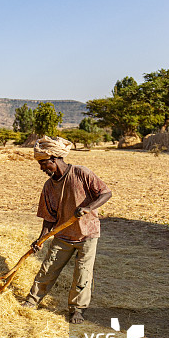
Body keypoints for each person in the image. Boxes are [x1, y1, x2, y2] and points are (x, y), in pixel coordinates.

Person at [23, 136, 112, 324]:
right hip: (62, 236)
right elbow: (49, 216)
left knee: (82, 274)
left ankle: (77, 310)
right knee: (47, 269)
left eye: (44, 164)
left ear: (55, 159)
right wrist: (41, 239)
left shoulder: (81, 173)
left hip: (87, 234)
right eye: (40, 165)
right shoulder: (49, 187)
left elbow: (106, 193)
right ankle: (31, 301)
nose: (42, 169)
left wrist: (89, 207)